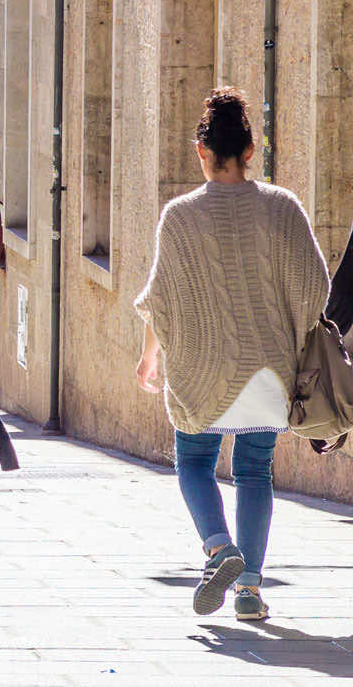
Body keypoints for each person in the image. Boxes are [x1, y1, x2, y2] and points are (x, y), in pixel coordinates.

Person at [133, 87, 327, 624]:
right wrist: (285, 332)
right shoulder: (282, 207)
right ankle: (249, 590)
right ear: (250, 152)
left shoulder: (179, 216)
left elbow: (162, 300)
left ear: (201, 152)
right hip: (269, 369)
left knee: (194, 461)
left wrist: (151, 356)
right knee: (255, 470)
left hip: (201, 369)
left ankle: (219, 548)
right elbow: (314, 288)